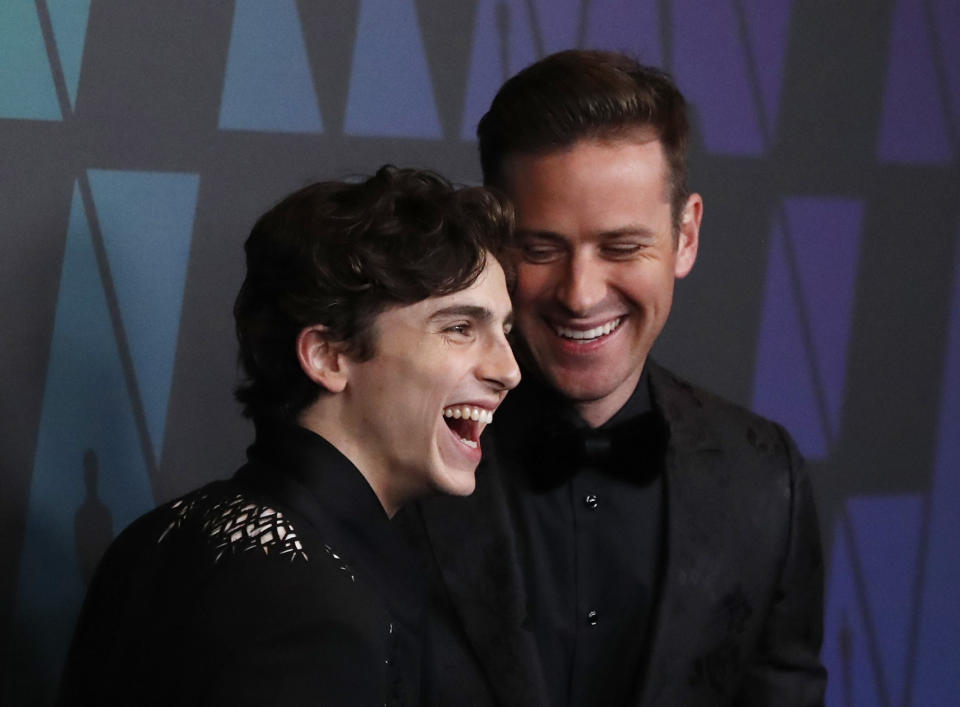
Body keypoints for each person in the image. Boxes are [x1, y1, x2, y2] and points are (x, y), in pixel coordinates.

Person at [401, 50, 826, 706]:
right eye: (541, 249)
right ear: (491, 244)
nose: (580, 294)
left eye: (623, 248)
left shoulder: (766, 477)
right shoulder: (400, 453)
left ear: (686, 237)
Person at [57, 166, 521, 706]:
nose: (508, 369)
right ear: (328, 355)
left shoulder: (155, 536)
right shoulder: (316, 604)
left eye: (505, 331)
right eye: (460, 328)